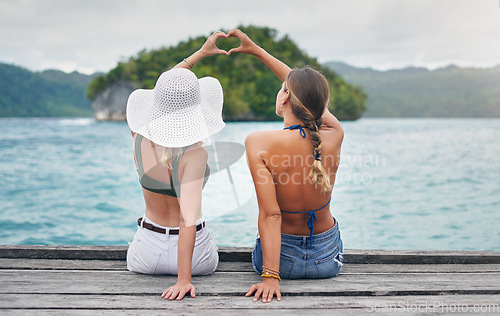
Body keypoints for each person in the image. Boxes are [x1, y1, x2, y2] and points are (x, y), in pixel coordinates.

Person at [227, 28, 345, 303]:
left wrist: (270, 276)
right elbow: (307, 93)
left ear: (284, 98)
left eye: (283, 89)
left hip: (282, 262)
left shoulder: (258, 142)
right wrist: (257, 50)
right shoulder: (335, 134)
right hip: (328, 260)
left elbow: (271, 215)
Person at [125, 31, 229, 301]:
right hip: (195, 260)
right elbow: (187, 219)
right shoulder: (196, 154)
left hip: (147, 253)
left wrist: (196, 57)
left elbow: (170, 91)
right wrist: (184, 280)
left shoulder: (139, 138)